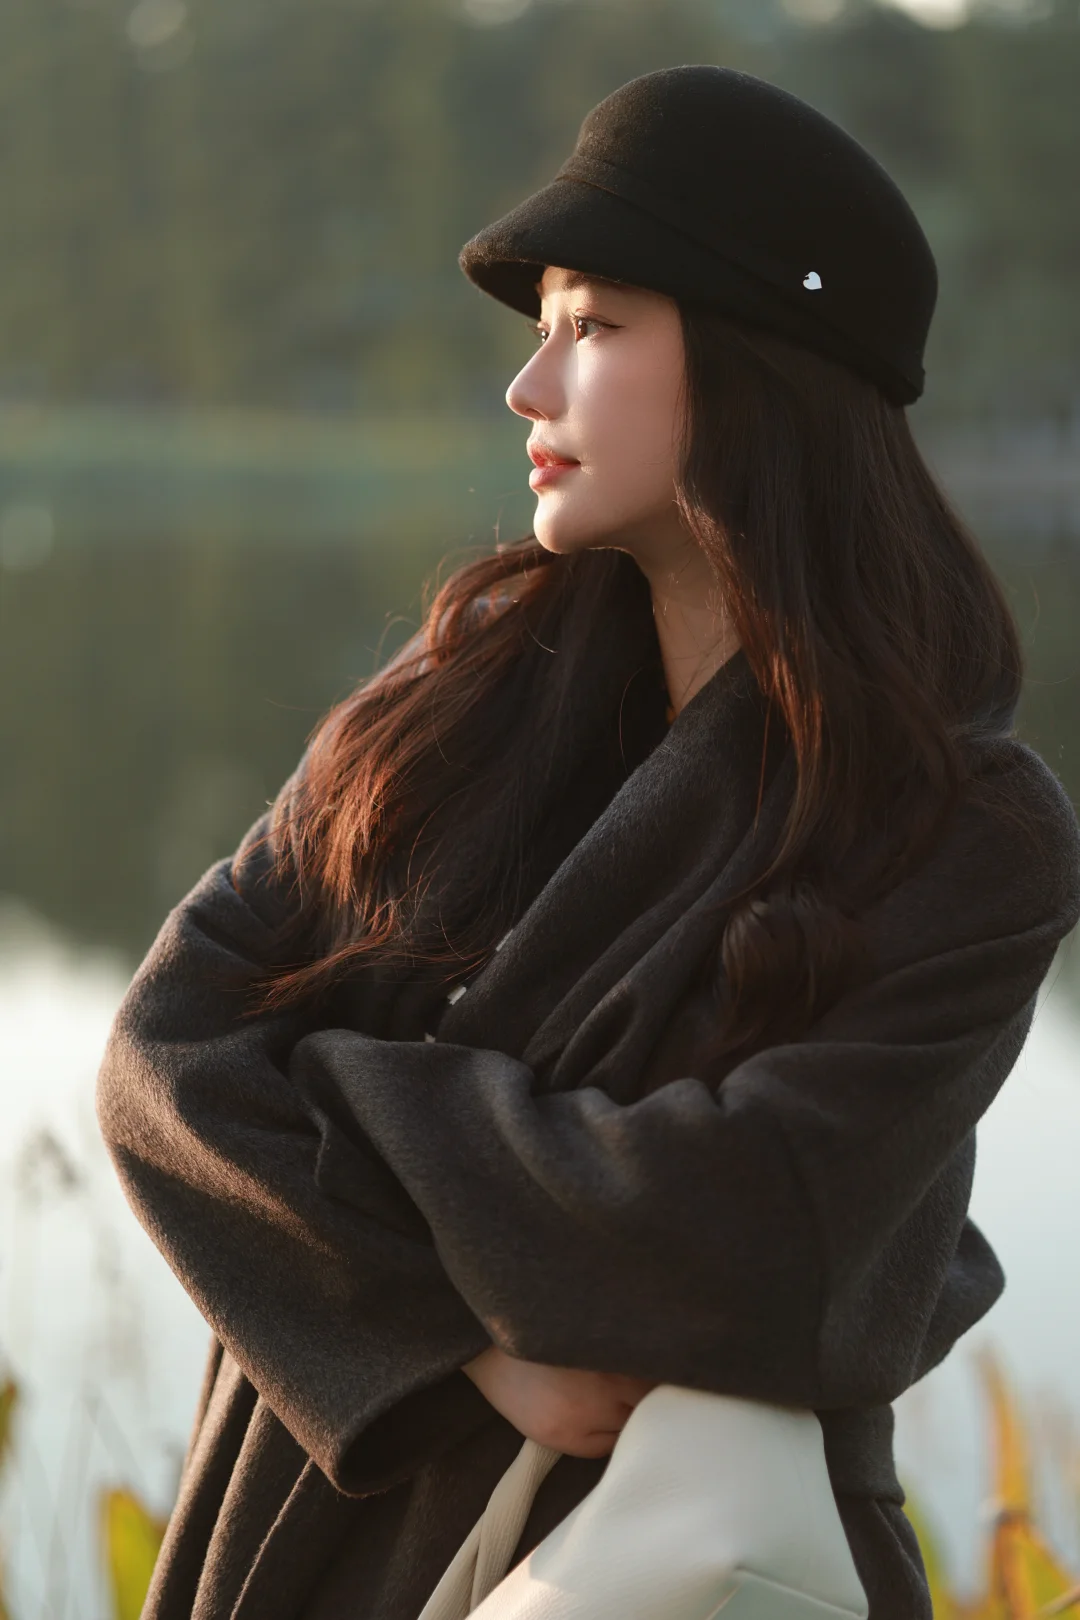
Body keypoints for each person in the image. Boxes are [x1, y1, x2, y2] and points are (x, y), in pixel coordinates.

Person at [96, 65, 1080, 1620]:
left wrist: (340, 1084)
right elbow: (165, 1065)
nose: (529, 386)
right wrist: (457, 1345)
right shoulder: (434, 724)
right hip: (315, 1541)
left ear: (762, 372)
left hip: (679, 1564)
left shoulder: (962, 827)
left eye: (597, 326)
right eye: (543, 326)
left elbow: (745, 1231)